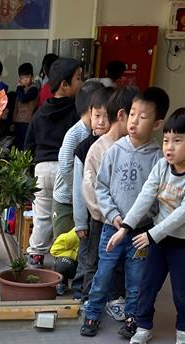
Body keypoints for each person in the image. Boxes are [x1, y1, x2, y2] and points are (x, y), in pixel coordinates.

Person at [106, 107, 185, 344]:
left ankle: (184, 327)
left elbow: (184, 213)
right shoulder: (162, 166)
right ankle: (143, 326)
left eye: (177, 141)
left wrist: (151, 235)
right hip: (159, 239)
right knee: (147, 284)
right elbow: (145, 196)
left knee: (183, 288)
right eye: (165, 140)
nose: (169, 147)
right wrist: (125, 227)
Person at [80, 86, 169, 338]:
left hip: (140, 232)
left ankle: (132, 317)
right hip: (112, 226)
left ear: (157, 124)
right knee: (104, 272)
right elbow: (101, 187)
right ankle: (92, 313)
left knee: (136, 277)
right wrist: (111, 214)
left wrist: (146, 221)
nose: (134, 121)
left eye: (143, 116)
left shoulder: (157, 158)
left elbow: (158, 197)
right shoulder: (114, 151)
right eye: (132, 114)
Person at [79, 84, 139, 310]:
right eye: (134, 116)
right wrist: (105, 214)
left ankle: (115, 301)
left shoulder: (133, 147)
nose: (137, 123)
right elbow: (90, 187)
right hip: (102, 220)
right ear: (122, 115)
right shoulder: (99, 148)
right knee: (96, 262)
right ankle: (89, 301)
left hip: (127, 222)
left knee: (121, 265)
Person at [24, 58, 83, 267]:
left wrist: (30, 171)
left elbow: (28, 145)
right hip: (64, 168)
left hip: (41, 168)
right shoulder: (77, 112)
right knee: (63, 216)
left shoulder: (40, 112)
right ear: (65, 85)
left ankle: (36, 254)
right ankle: (62, 257)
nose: (81, 82)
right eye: (79, 78)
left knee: (41, 215)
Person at [52, 78, 108, 244]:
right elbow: (65, 166)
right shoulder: (75, 133)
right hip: (66, 200)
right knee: (64, 245)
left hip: (84, 203)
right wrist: (80, 193)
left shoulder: (98, 134)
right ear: (91, 108)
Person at [71, 84, 113, 298]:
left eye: (107, 116)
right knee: (88, 259)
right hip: (90, 218)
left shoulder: (118, 147)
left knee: (105, 260)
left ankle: (101, 298)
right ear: (89, 113)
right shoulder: (84, 148)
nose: (101, 121)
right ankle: (81, 295)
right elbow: (78, 189)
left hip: (111, 217)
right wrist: (80, 222)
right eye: (97, 115)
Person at [12, 62, 38, 149]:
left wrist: (19, 87)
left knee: (25, 146)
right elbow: (16, 107)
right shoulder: (20, 90)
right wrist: (14, 120)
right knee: (18, 145)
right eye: (22, 78)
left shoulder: (33, 89)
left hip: (28, 122)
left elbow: (23, 99)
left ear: (32, 76)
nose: (25, 80)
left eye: (27, 77)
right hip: (19, 121)